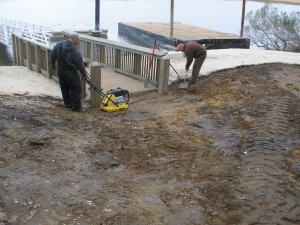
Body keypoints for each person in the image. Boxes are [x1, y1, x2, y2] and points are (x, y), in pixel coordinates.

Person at [50, 34, 87, 112]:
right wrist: (84, 74)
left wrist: (53, 64)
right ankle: (76, 106)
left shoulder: (59, 45)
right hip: (71, 72)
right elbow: (80, 64)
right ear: (75, 39)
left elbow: (52, 54)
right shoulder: (75, 51)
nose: (79, 42)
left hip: (61, 71)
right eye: (78, 40)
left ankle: (67, 104)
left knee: (64, 88)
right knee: (76, 88)